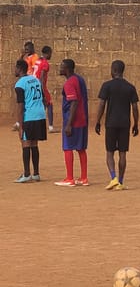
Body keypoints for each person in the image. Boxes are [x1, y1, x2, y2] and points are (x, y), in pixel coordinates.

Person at [94, 60, 140, 191]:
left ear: (113, 70)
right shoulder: (130, 87)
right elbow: (135, 107)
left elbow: (102, 104)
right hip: (125, 123)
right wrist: (136, 124)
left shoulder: (107, 86)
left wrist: (98, 121)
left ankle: (113, 177)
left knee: (109, 152)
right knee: (122, 153)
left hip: (111, 123)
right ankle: (120, 181)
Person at [55, 58, 89, 187]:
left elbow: (74, 102)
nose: (60, 68)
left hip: (73, 120)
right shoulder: (80, 79)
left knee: (67, 147)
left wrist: (69, 124)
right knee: (81, 148)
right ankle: (84, 177)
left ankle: (69, 178)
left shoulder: (69, 83)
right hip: (82, 119)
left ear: (67, 69)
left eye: (62, 66)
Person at [13, 59, 47, 183]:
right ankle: (36, 173)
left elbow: (21, 106)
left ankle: (27, 174)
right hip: (40, 114)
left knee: (25, 143)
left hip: (30, 116)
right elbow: (42, 97)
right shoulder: (35, 79)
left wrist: (20, 126)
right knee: (34, 143)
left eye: (15, 68)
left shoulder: (20, 84)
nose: (14, 70)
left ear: (19, 68)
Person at [12, 41, 39, 131]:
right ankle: (19, 121)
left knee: (25, 102)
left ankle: (22, 122)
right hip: (25, 80)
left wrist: (32, 80)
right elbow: (19, 64)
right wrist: (22, 55)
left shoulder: (35, 57)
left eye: (28, 49)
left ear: (32, 48)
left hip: (30, 81)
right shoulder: (27, 57)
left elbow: (35, 70)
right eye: (25, 50)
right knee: (21, 102)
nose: (26, 51)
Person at [33, 46, 56, 133]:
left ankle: (37, 126)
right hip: (41, 86)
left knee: (40, 106)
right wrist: (43, 91)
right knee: (49, 104)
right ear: (47, 53)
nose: (51, 55)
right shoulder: (45, 63)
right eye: (50, 53)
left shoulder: (38, 61)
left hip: (34, 85)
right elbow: (42, 76)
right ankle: (50, 127)